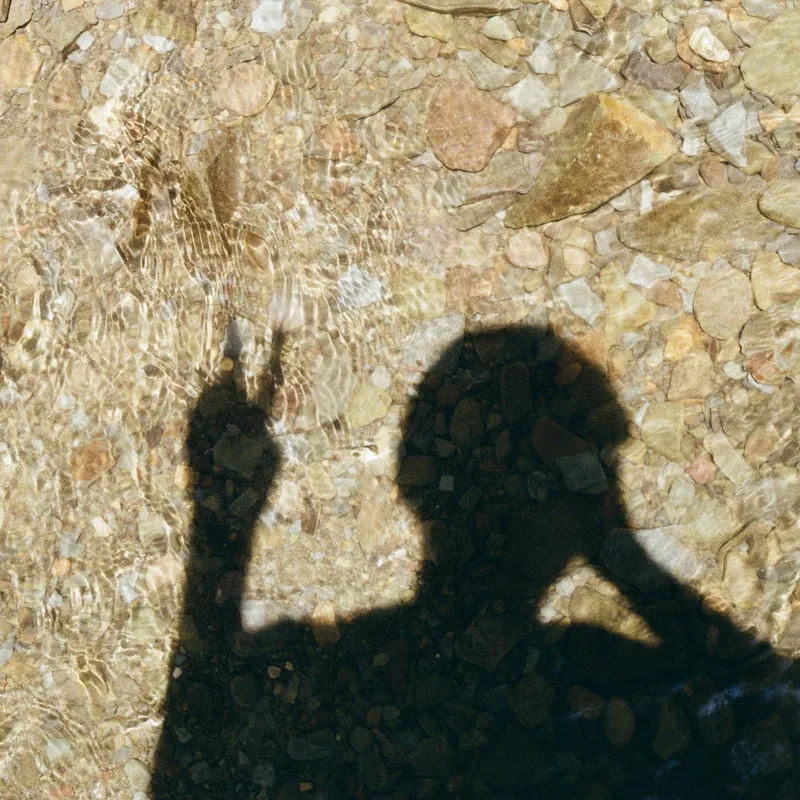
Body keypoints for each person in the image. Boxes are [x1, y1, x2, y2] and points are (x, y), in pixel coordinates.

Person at [150, 323, 794, 800]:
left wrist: (220, 526)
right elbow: (773, 693)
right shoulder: (604, 657)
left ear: (407, 489)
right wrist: (611, 540)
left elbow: (190, 753)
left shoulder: (329, 655)